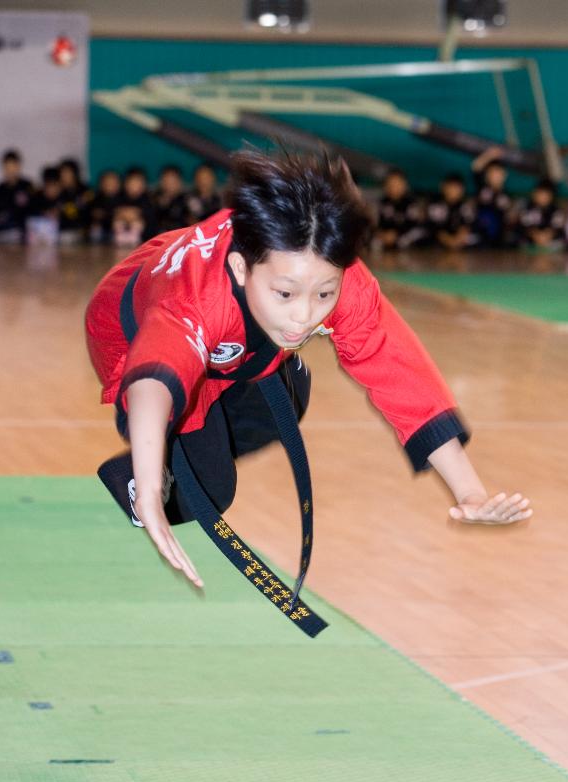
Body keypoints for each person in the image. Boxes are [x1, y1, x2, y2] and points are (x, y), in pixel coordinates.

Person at [85, 151, 530, 590]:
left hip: (228, 327)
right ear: (242, 268)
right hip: (130, 328)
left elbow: (400, 372)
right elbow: (151, 384)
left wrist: (469, 491)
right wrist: (146, 488)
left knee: (292, 388)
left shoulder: (332, 269)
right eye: (286, 294)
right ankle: (135, 473)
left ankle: (184, 443)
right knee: (211, 489)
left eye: (323, 295)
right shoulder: (196, 300)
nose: (304, 316)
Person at [0, 149, 35, 240]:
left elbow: (31, 208)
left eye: (12, 167)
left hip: (21, 227)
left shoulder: (27, 186)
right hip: (3, 226)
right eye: (7, 168)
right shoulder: (0, 188)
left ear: (18, 166)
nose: (10, 171)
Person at [373, 168, 427, 251]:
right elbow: (377, 223)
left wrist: (396, 234)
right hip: (387, 235)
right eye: (390, 184)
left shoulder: (411, 203)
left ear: (404, 185)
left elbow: (413, 224)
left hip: (405, 234)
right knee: (375, 243)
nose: (393, 188)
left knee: (408, 239)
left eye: (397, 184)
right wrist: (383, 234)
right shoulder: (382, 203)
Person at [471, 148, 515, 248]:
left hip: (499, 237)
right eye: (491, 173)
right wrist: (489, 154)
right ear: (487, 175)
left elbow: (508, 217)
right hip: (480, 234)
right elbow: (476, 166)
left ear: (504, 175)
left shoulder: (506, 195)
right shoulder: (482, 188)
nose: (495, 176)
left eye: (498, 173)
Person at [426, 173, 479, 251]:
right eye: (450, 187)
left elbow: (466, 226)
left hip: (460, 240)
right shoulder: (436, 205)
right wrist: (450, 242)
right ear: (443, 187)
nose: (453, 191)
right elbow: (437, 229)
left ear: (462, 190)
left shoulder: (466, 206)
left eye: (457, 188)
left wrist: (457, 241)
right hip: (440, 240)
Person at [112, 167, 157, 247]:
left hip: (141, 240)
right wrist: (123, 214)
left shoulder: (148, 200)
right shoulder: (119, 198)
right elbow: (112, 212)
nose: (135, 186)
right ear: (125, 184)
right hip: (118, 238)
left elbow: (151, 219)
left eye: (138, 183)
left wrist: (137, 214)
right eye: (132, 183)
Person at [516, 179, 565, 250]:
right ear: (534, 194)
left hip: (549, 241)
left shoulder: (555, 210)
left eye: (546, 195)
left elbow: (557, 227)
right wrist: (536, 236)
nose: (543, 197)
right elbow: (525, 226)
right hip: (531, 241)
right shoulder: (528, 209)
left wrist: (547, 235)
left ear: (551, 196)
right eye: (540, 194)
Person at [87, 169, 123, 244]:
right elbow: (93, 213)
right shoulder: (96, 198)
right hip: (101, 230)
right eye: (107, 183)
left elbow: (121, 213)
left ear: (119, 184)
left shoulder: (123, 198)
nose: (110, 186)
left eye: (113, 183)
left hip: (116, 232)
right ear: (101, 185)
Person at [154, 164, 190, 234]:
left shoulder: (187, 201)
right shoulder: (154, 201)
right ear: (161, 182)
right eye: (166, 181)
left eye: (173, 181)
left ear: (179, 182)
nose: (170, 185)